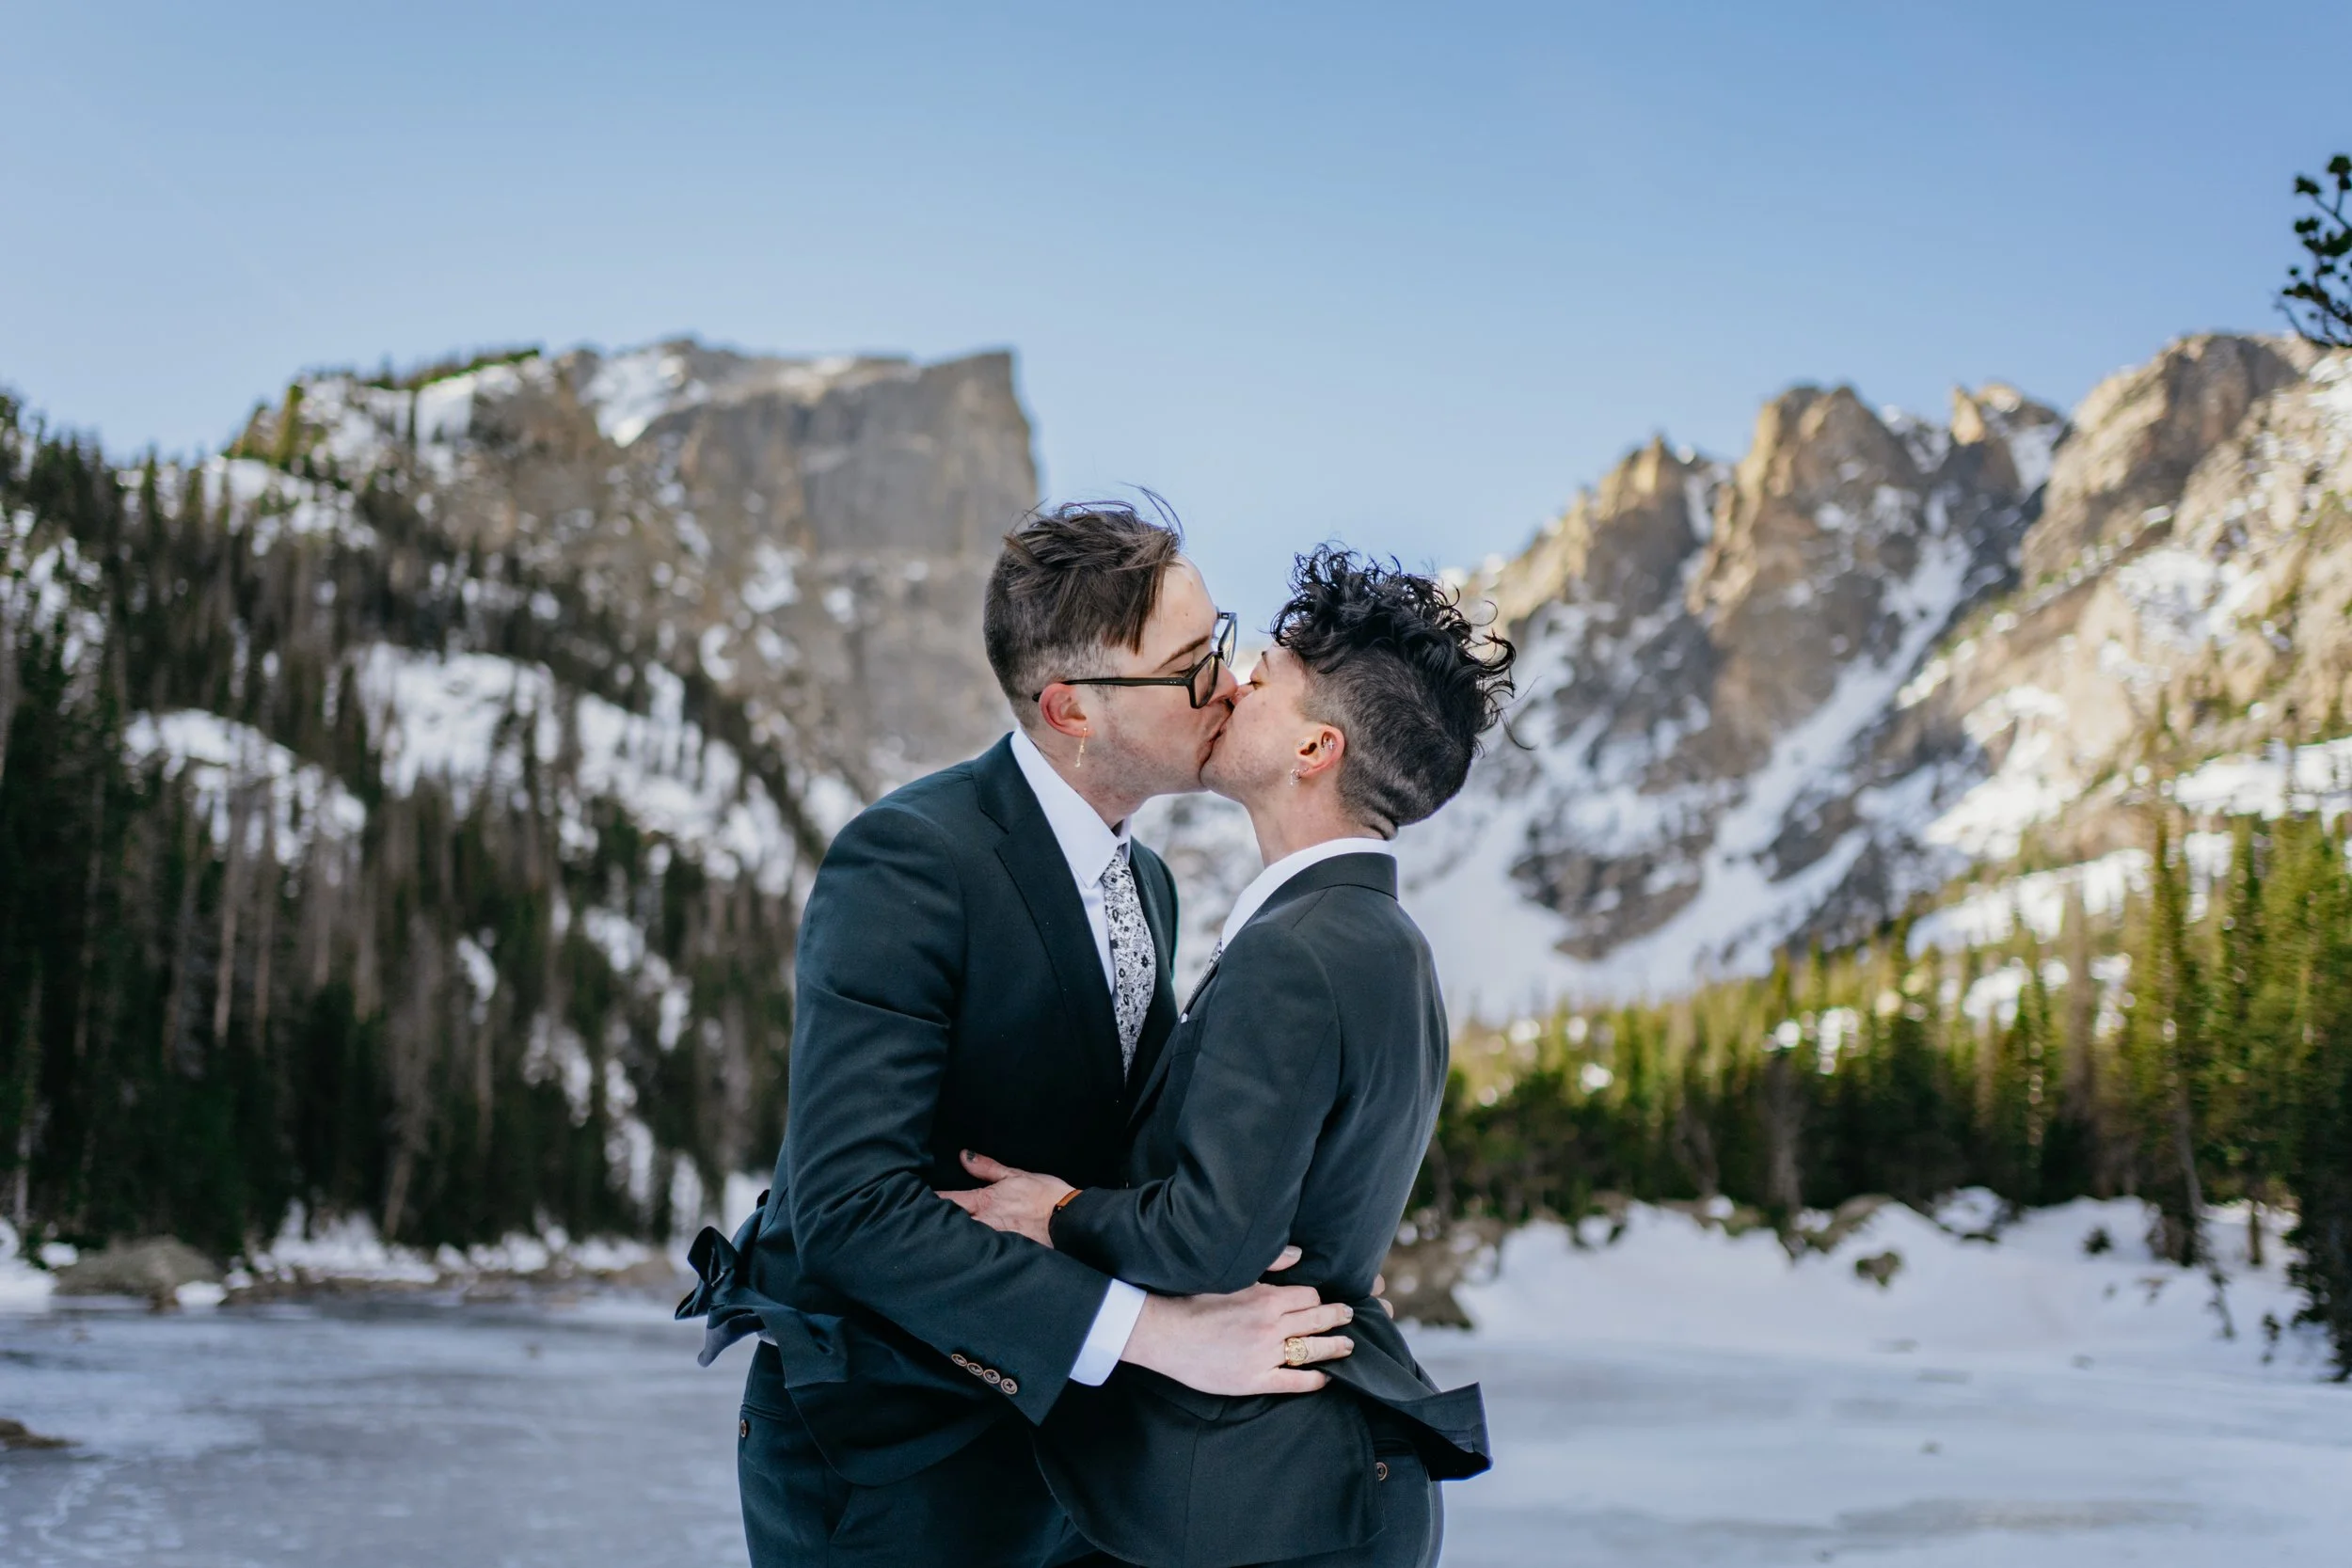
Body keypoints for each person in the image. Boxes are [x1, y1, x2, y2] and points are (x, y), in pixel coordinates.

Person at [677, 502, 1358, 1567]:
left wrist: (1305, 1259)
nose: (1226, 686)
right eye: (1189, 667)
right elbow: (849, 1208)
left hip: (1069, 1453)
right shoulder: (907, 859)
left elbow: (1123, 1151)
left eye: (1217, 644)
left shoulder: (1151, 882)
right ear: (1070, 708)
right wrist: (1162, 1334)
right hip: (887, 1454)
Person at [947, 546, 1513, 1568]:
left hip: (1262, 1499)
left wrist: (1054, 1210)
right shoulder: (1384, 942)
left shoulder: (1298, 952)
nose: (1231, 681)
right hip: (1323, 1483)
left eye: (1264, 680)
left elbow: (1213, 1238)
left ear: (1314, 747)